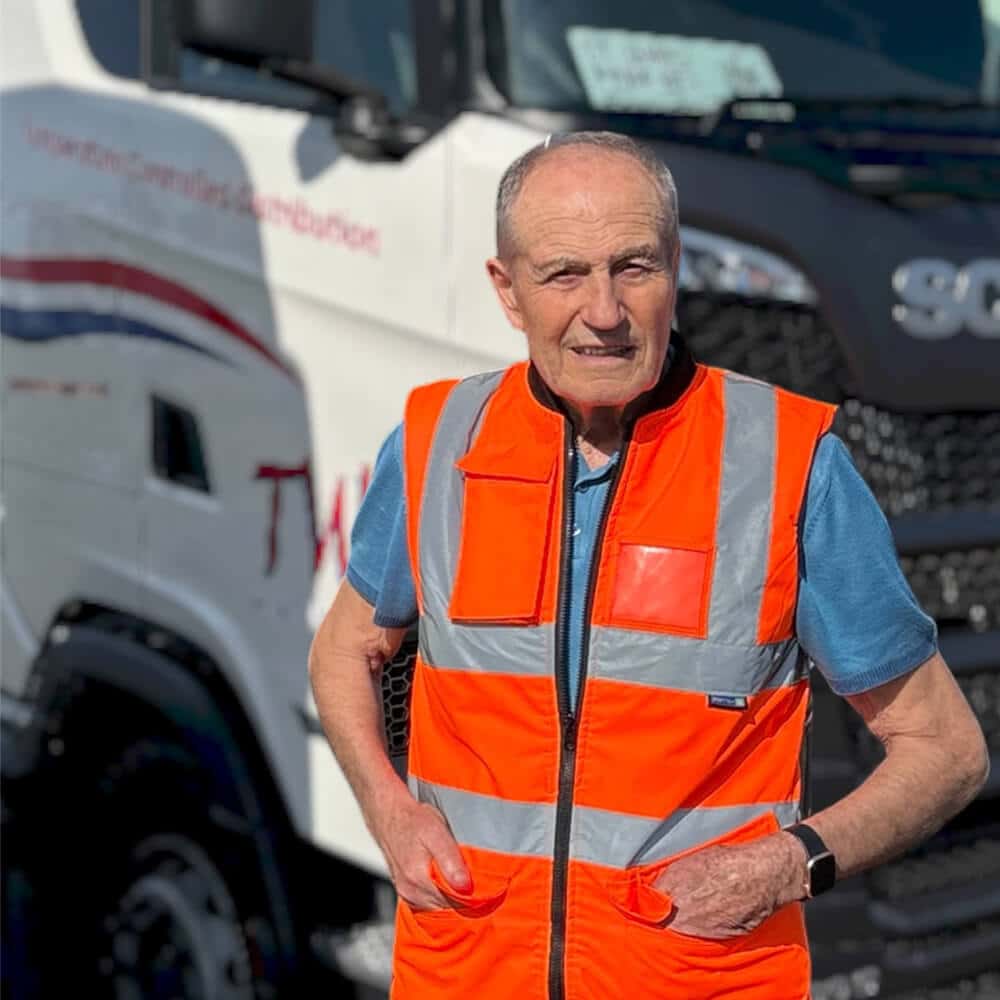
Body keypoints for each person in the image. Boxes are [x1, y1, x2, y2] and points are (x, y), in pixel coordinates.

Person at [308, 132, 989, 999]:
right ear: (506, 291)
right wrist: (388, 811)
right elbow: (343, 651)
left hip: (696, 979)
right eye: (563, 274)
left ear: (676, 268)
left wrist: (790, 864)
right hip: (464, 974)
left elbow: (945, 750)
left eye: (634, 267)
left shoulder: (788, 464)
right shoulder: (439, 442)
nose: (603, 310)